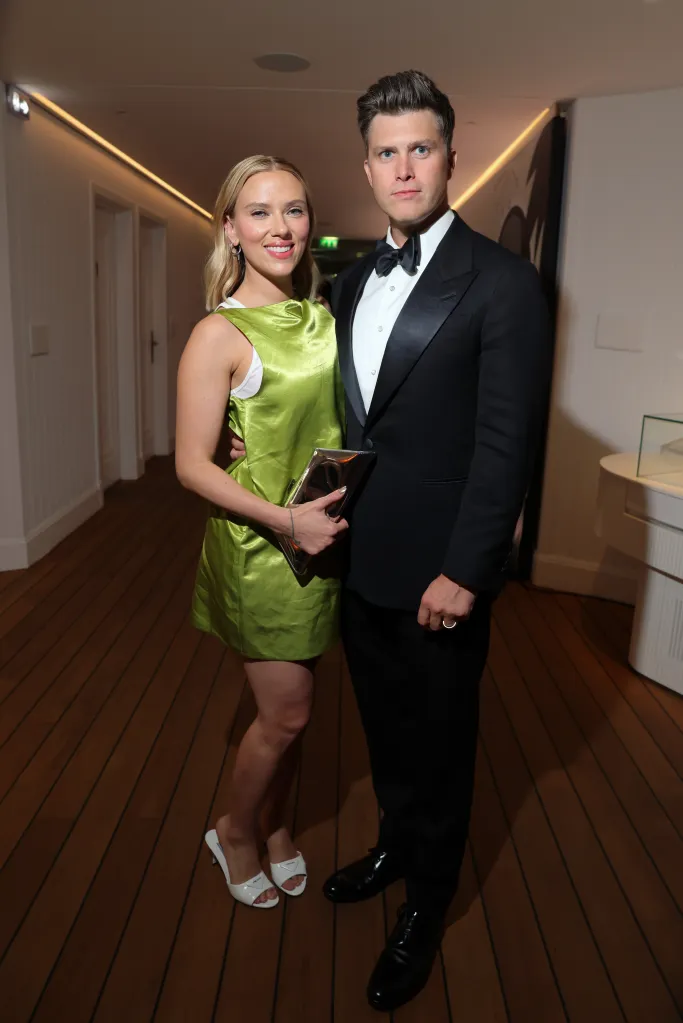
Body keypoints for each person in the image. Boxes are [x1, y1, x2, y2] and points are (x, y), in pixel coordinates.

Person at [229, 71, 552, 1010]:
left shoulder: (503, 282)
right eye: (385, 150)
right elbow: (334, 412)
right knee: (383, 728)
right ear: (364, 164)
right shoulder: (351, 279)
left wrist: (467, 568)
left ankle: (428, 899)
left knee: (442, 740)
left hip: (441, 572)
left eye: (421, 147)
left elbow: (506, 446)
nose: (403, 166)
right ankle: (395, 842)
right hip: (358, 557)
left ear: (451, 155)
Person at [175, 155, 347, 910]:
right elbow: (188, 465)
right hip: (264, 544)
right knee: (288, 710)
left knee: (296, 699)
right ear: (231, 229)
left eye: (295, 210)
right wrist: (286, 518)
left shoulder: (321, 316)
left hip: (326, 535)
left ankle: (275, 826)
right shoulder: (218, 333)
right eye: (260, 212)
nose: (281, 227)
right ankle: (235, 830)